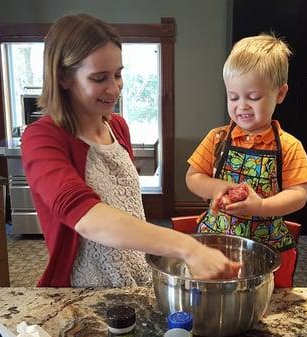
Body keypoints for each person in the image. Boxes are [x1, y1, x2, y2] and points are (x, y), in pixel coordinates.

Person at [21, 13, 239, 288]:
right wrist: (186, 246)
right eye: (99, 78)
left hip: (136, 276)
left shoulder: (118, 127)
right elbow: (85, 216)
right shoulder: (42, 137)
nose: (114, 89)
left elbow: (129, 209)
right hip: (87, 288)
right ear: (63, 77)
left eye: (118, 74)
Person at [186, 34, 307, 288]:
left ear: (280, 94)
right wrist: (216, 188)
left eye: (253, 97)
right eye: (233, 97)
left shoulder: (289, 146)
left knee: (268, 305)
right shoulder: (217, 139)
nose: (242, 106)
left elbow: (299, 194)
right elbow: (192, 177)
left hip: (268, 249)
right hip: (217, 244)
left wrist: (261, 207)